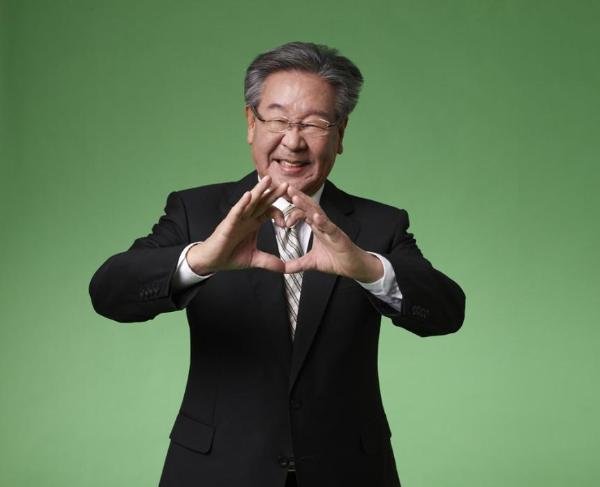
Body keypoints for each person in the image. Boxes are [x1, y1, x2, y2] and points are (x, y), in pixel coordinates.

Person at [89, 42, 465, 487]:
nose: (293, 141)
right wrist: (202, 259)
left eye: (314, 123)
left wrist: (367, 268)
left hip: (349, 471)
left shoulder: (378, 225)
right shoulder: (197, 212)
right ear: (251, 123)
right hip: (216, 471)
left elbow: (447, 312)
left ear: (340, 133)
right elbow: (109, 292)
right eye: (278, 120)